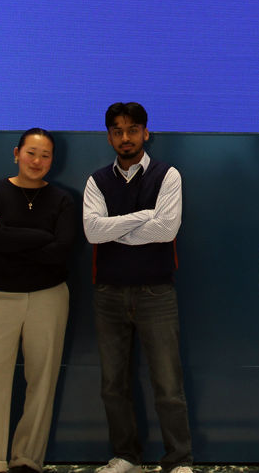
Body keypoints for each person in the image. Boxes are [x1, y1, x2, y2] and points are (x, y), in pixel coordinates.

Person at [83, 102, 193, 473]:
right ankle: (126, 456)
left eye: (132, 130)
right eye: (117, 130)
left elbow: (167, 230)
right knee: (113, 384)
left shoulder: (168, 175)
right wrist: (142, 217)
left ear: (146, 133)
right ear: (109, 136)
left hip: (156, 293)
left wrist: (117, 227)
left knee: (168, 384)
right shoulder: (97, 180)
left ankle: (179, 460)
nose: (125, 137)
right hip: (108, 293)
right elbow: (91, 232)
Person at [0, 128, 79, 473]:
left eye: (45, 155)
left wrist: (11, 238)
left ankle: (27, 460)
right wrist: (41, 237)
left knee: (42, 380)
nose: (37, 161)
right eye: (31, 153)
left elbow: (62, 251)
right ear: (16, 153)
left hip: (49, 298)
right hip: (0, 298)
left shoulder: (62, 200)